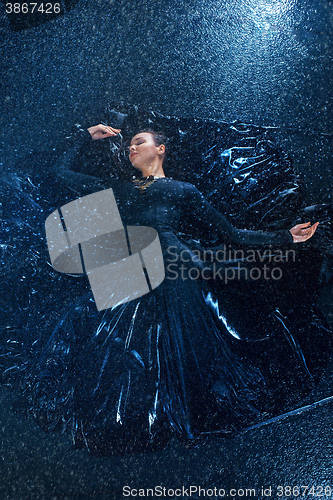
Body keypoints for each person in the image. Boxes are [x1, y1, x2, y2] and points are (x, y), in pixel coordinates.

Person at [26, 124, 323, 456]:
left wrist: (287, 237)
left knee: (182, 348)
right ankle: (146, 418)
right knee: (124, 347)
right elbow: (61, 174)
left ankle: (188, 416)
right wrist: (84, 137)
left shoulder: (183, 190)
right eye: (130, 145)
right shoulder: (120, 190)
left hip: (176, 269)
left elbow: (232, 235)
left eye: (140, 142)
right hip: (133, 272)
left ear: (161, 149)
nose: (131, 149)